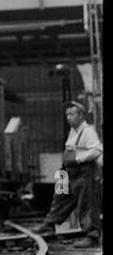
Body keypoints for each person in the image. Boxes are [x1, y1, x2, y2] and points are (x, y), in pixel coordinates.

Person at [32, 103, 103, 246]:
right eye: (67, 115)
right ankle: (49, 225)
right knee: (59, 198)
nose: (68, 118)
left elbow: (96, 150)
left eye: (71, 114)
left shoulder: (88, 131)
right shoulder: (73, 131)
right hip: (66, 171)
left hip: (82, 171)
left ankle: (92, 236)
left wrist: (78, 158)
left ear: (81, 116)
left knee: (86, 203)